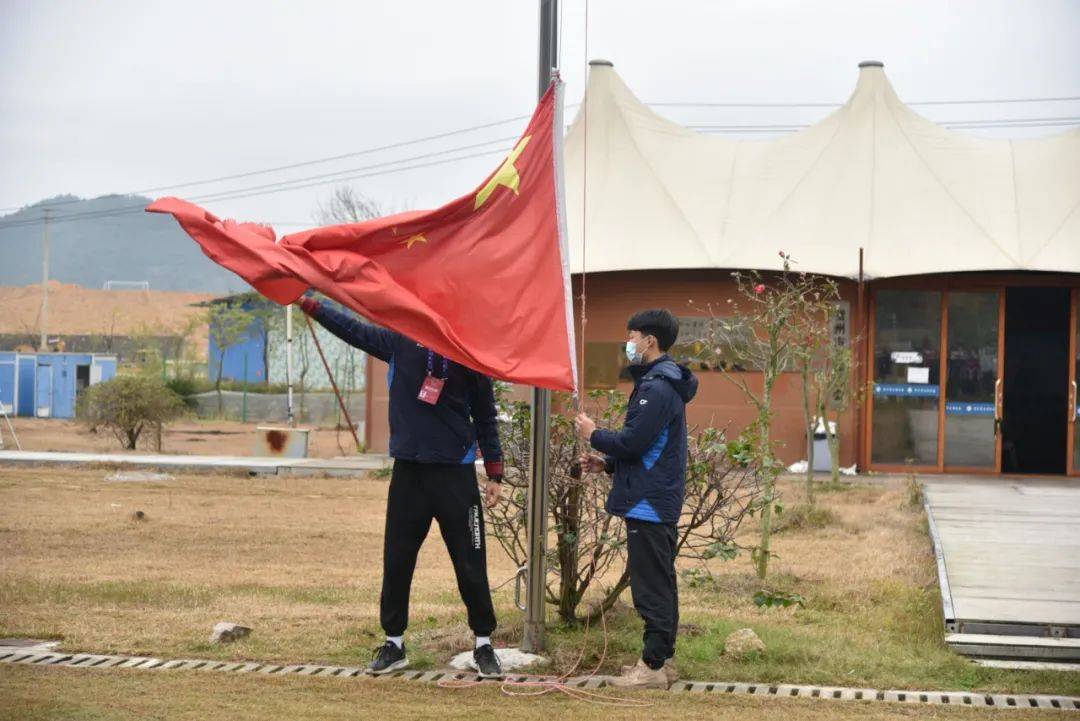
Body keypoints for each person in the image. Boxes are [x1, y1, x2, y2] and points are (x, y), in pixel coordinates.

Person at [297, 293, 505, 678]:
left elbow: (486, 414)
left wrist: (494, 471)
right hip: (409, 471)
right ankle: (394, 642)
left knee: (471, 562)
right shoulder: (399, 342)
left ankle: (484, 643)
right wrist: (310, 304)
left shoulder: (470, 352)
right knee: (397, 560)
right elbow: (353, 330)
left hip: (455, 473)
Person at [574, 309, 697, 689]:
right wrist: (607, 464)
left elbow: (634, 441)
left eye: (632, 336)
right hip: (652, 495)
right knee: (661, 580)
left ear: (650, 341)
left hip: (649, 500)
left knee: (651, 586)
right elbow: (647, 449)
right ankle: (663, 660)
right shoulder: (661, 383)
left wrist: (594, 434)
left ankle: (653, 666)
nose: (628, 343)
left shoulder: (657, 387)